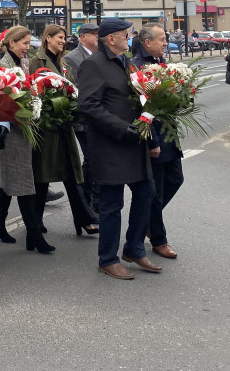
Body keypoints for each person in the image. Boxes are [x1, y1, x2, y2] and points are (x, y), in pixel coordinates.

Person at [79, 17, 160, 280]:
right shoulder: (94, 64)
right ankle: (108, 259)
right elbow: (88, 106)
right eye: (126, 34)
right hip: (110, 145)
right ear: (110, 38)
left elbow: (137, 101)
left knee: (147, 191)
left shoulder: (126, 62)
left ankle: (134, 248)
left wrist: (150, 138)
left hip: (134, 143)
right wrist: (120, 128)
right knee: (112, 203)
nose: (130, 38)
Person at [29, 24, 99, 239]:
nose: (63, 41)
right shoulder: (37, 61)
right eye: (59, 37)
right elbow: (35, 91)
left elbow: (71, 88)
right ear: (47, 38)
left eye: (64, 37)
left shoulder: (63, 61)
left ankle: (84, 219)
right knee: (42, 177)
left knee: (72, 173)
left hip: (63, 127)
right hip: (47, 128)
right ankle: (35, 221)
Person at [0, 26, 53, 253]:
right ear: (12, 43)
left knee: (10, 178)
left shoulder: (23, 64)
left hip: (25, 127)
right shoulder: (2, 67)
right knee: (24, 182)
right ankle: (34, 235)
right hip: (11, 130)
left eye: (28, 43)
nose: (28, 47)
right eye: (24, 43)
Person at [131, 22, 181, 259]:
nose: (165, 42)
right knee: (156, 191)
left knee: (176, 180)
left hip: (169, 132)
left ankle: (150, 221)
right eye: (161, 39)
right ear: (147, 42)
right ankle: (159, 239)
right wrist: (152, 142)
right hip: (155, 136)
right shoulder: (137, 68)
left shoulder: (160, 63)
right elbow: (142, 110)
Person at [63, 22, 100, 213]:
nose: (97, 37)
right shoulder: (72, 58)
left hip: (98, 117)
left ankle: (92, 199)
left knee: (94, 158)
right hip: (84, 117)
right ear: (83, 37)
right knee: (91, 158)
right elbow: (75, 87)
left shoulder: (99, 54)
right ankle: (89, 201)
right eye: (94, 34)